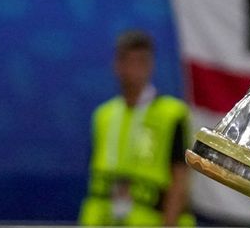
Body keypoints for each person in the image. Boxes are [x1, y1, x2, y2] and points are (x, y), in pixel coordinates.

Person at [79, 30, 194, 226]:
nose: (134, 69)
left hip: (150, 220)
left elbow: (179, 178)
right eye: (127, 61)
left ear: (150, 65)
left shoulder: (172, 114)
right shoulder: (103, 115)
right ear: (117, 65)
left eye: (141, 61)